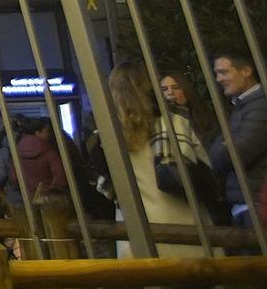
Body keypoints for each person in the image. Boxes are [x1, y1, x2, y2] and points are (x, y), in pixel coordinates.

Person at [108, 64, 217, 256]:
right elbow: (188, 170)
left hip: (136, 232)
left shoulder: (109, 134)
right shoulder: (173, 121)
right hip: (182, 225)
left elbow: (108, 187)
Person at [207, 50, 267, 225]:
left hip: (256, 205)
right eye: (217, 74)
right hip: (247, 204)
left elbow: (237, 153)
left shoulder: (261, 106)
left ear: (246, 71)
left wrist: (220, 149)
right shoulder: (243, 106)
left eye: (224, 72)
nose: (218, 79)